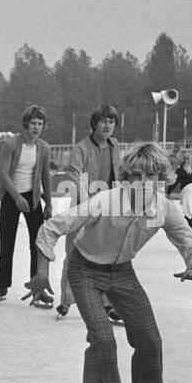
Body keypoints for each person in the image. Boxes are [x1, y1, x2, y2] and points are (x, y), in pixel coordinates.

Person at [26, 143, 192, 383]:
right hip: (84, 269)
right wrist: (43, 273)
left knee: (150, 339)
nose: (142, 182)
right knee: (102, 338)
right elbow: (52, 227)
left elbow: (191, 243)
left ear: (162, 179)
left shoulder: (164, 208)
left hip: (123, 273)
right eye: (135, 175)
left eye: (150, 176)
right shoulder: (107, 201)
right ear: (125, 178)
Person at [60, 105, 122, 319]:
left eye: (112, 122)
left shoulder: (115, 145)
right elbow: (73, 173)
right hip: (83, 206)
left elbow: (120, 174)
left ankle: (107, 302)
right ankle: (66, 299)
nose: (107, 126)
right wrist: (87, 201)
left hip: (107, 207)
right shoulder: (81, 148)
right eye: (103, 121)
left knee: (105, 254)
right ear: (94, 124)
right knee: (73, 251)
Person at [0, 105, 53, 302]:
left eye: (40, 124)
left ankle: (37, 288)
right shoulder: (11, 144)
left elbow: (46, 177)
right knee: (7, 243)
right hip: (12, 197)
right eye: (33, 123)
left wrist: (50, 204)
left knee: (36, 245)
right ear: (26, 124)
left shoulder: (44, 147)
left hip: (33, 198)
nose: (36, 127)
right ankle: (1, 286)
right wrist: (17, 197)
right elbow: (3, 174)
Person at [166, 149, 192, 242]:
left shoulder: (180, 171)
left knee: (189, 217)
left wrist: (168, 193)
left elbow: (174, 183)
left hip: (189, 192)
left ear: (179, 159)